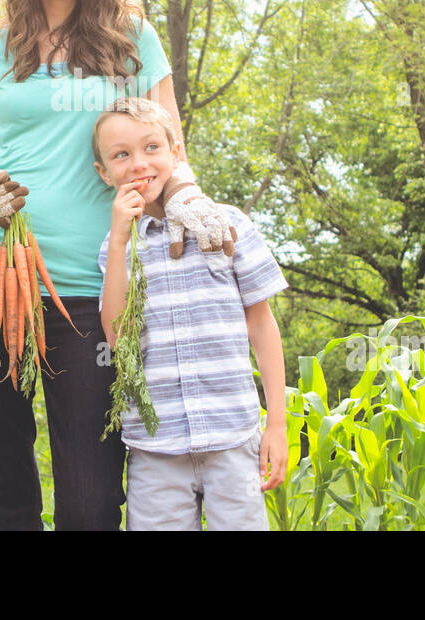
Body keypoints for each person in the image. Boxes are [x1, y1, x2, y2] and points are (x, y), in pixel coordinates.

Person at [0, 0, 235, 530]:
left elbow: (170, 146)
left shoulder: (131, 40)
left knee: (92, 502)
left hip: (94, 295)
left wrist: (191, 202)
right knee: (4, 491)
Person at [94, 96, 288, 530]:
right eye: (121, 155)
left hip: (233, 437)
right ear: (104, 173)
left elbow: (262, 324)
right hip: (156, 449)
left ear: (175, 152)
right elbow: (118, 340)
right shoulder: (116, 249)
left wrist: (276, 425)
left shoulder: (227, 222)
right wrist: (123, 240)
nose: (139, 163)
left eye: (151, 148)